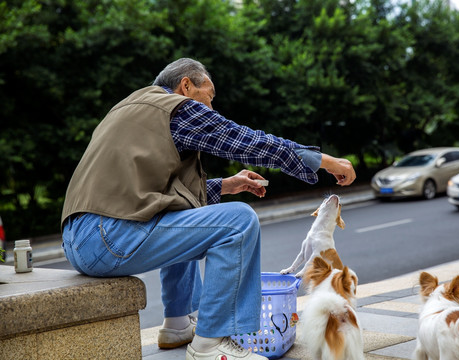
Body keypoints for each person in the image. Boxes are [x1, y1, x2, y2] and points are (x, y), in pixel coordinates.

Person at [61, 58, 356, 360]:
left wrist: (228, 185)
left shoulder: (127, 108)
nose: (210, 108)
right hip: (108, 236)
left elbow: (149, 194)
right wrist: (325, 162)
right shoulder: (177, 107)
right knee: (239, 221)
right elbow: (249, 142)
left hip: (81, 238)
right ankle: (211, 342)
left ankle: (177, 323)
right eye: (209, 96)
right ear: (186, 85)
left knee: (185, 211)